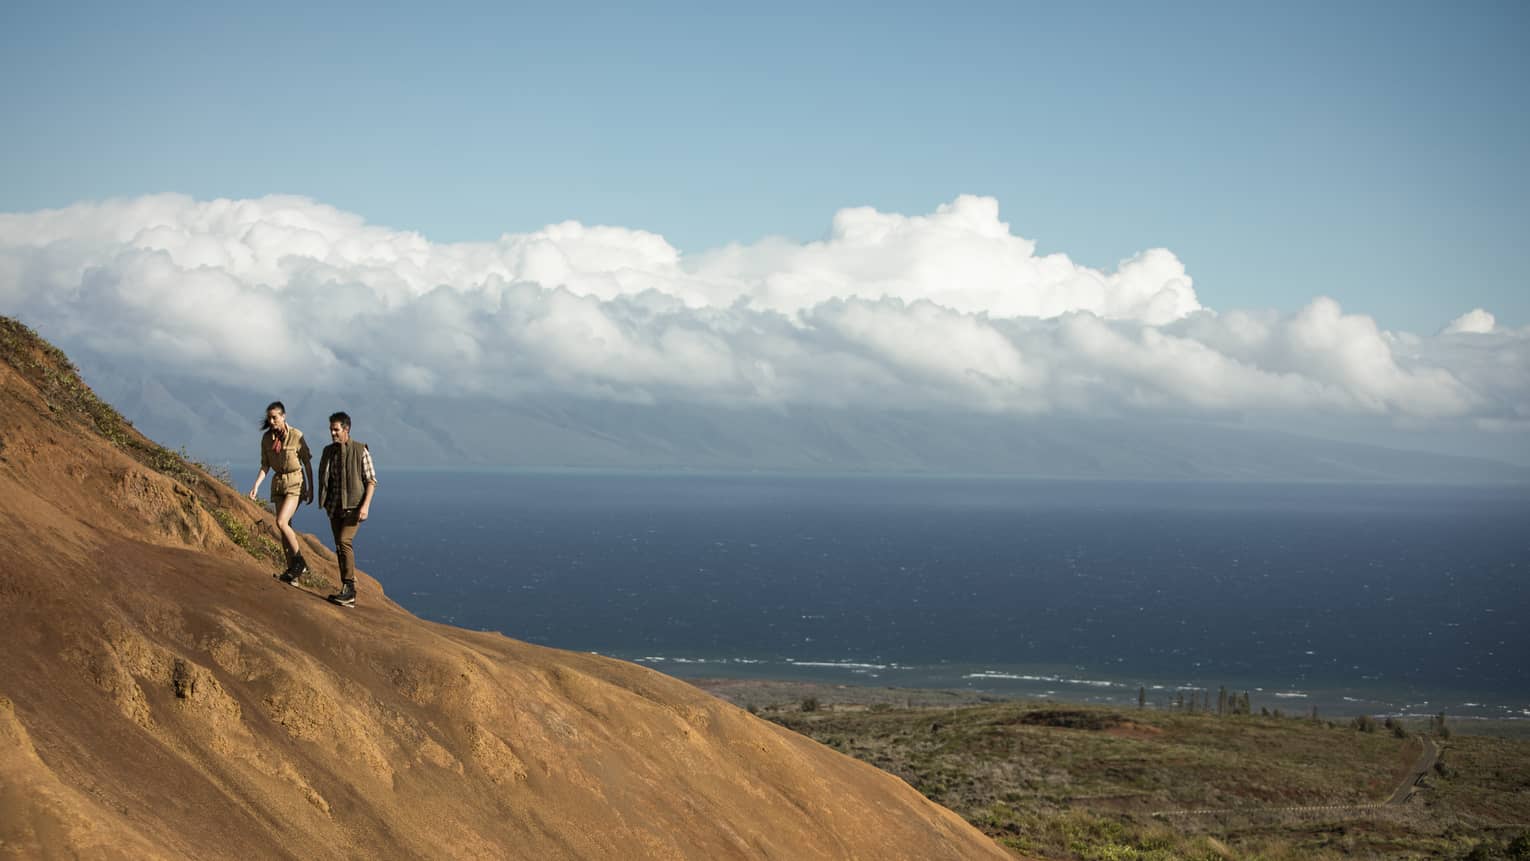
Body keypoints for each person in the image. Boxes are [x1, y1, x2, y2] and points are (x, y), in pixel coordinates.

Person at [247, 401, 314, 583]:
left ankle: (300, 560)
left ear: (283, 417)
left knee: (281, 521)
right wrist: (256, 486)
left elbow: (307, 463)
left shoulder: (296, 435)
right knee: (285, 528)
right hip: (278, 485)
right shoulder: (267, 439)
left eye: (275, 417)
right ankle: (293, 572)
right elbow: (265, 465)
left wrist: (310, 488)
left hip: (295, 483)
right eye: (269, 418)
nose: (271, 421)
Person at [317, 411, 377, 608]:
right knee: (339, 547)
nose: (333, 433)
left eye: (336, 429)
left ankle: (350, 589)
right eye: (331, 430)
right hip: (335, 508)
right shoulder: (328, 451)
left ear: (346, 429)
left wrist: (365, 506)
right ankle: (346, 589)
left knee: (344, 542)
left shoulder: (360, 450)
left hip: (354, 507)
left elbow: (371, 481)